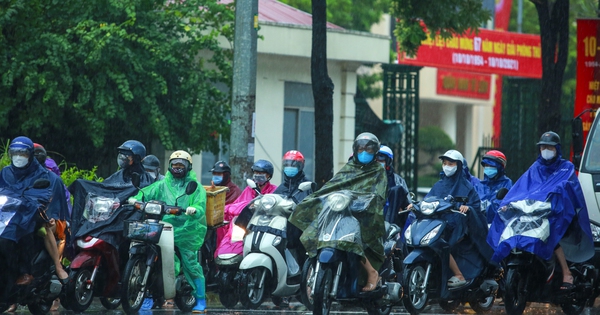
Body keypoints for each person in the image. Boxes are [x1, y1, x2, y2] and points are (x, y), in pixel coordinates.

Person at [487, 131, 594, 290]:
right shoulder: (535, 168)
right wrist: (507, 202)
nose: (546, 150)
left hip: (559, 214)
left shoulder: (566, 167)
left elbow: (571, 189)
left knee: (553, 235)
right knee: (513, 230)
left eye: (549, 147)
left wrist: (558, 195)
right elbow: (520, 188)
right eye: (543, 147)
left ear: (557, 148)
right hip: (536, 213)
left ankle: (566, 273)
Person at [289, 132, 387, 292]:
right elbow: (332, 186)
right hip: (340, 213)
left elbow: (379, 195)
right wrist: (318, 197)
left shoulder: (378, 171)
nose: (364, 152)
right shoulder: (349, 168)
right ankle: (314, 274)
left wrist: (364, 202)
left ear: (375, 152)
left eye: (368, 150)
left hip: (364, 216)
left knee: (353, 240)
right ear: (355, 150)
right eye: (361, 149)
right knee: (313, 233)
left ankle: (372, 273)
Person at [129, 150, 208, 313]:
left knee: (190, 264)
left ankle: (200, 298)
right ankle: (148, 294)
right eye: (175, 165)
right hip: (163, 226)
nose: (178, 168)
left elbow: (200, 204)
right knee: (150, 253)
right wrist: (136, 199)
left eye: (181, 165)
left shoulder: (195, 186)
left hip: (187, 228)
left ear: (188, 167)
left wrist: (194, 210)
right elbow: (146, 193)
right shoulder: (162, 184)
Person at [407, 149, 492, 287]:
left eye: (451, 163)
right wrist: (416, 205)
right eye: (445, 163)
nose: (447, 166)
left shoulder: (467, 187)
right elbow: (429, 200)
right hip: (439, 224)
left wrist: (467, 208)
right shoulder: (439, 184)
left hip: (458, 227)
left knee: (442, 245)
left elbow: (475, 206)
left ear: (458, 165)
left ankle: (459, 275)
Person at [0, 137, 69, 301]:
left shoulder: (44, 175)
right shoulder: (6, 172)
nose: (18, 156)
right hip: (7, 216)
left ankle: (25, 271)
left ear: (30, 155)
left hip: (32, 217)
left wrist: (31, 206)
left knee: (13, 236)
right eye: (15, 153)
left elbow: (44, 198)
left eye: (22, 153)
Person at [33, 143, 72, 311]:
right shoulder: (14, 175)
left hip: (48, 220)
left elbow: (59, 207)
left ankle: (57, 266)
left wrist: (50, 217)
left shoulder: (54, 181)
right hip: (22, 218)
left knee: (48, 229)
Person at [215, 159, 278, 258]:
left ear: (268, 176)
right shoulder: (249, 189)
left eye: (261, 173)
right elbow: (236, 205)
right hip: (245, 225)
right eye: (256, 172)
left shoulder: (274, 191)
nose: (257, 175)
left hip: (263, 227)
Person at [377, 145, 411, 227]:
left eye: (381, 160)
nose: (378, 162)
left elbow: (407, 202)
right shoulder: (367, 178)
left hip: (392, 221)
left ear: (388, 161)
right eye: (376, 160)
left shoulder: (397, 180)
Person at [476, 150, 513, 223]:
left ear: (500, 167)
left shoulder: (507, 184)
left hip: (498, 226)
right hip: (479, 226)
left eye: (491, 166)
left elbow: (503, 207)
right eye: (486, 166)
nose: (488, 168)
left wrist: (483, 208)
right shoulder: (479, 185)